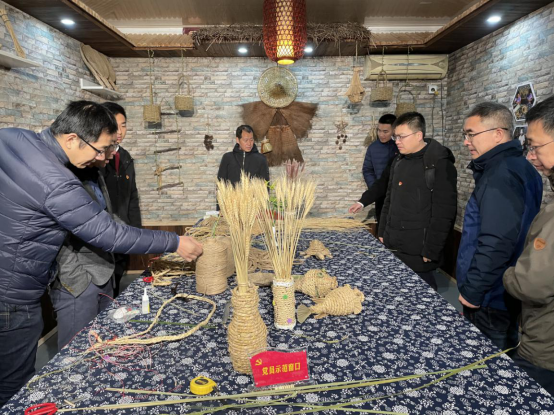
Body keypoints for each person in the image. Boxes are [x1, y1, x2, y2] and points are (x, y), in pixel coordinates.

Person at [0, 101, 203, 406]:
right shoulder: (56, 181)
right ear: (72, 139)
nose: (102, 157)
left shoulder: (12, 137)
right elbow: (109, 234)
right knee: (15, 386)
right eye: (100, 149)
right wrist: (175, 242)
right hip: (13, 293)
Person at [456, 102, 542, 352]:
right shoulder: (518, 166)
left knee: (485, 361)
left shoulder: (500, 175)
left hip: (491, 295)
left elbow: (497, 241)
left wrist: (473, 291)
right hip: (503, 287)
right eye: (465, 135)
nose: (466, 142)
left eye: (471, 134)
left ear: (497, 134)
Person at [503, 95, 554, 396]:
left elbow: (530, 284)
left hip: (545, 349)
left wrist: (509, 273)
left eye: (535, 146)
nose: (531, 156)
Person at [378, 112, 458, 290]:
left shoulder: (438, 163)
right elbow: (389, 198)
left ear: (418, 135)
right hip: (394, 242)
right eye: (395, 136)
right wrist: (382, 230)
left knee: (422, 293)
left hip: (419, 249)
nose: (397, 141)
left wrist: (431, 249)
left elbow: (444, 212)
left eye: (401, 136)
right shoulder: (398, 161)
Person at [50, 141, 118, 349]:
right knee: (76, 353)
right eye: (108, 146)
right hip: (78, 283)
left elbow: (107, 222)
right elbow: (56, 237)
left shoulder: (96, 173)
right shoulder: (62, 177)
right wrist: (78, 280)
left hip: (105, 273)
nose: (111, 153)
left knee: (104, 347)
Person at [101, 102, 141, 296]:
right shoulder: (96, 159)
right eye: (114, 126)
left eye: (123, 125)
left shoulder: (125, 157)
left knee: (118, 280)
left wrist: (137, 230)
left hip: (123, 233)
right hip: (103, 235)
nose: (119, 131)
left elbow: (132, 196)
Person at [352, 115, 398, 221]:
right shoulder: (373, 148)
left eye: (385, 131)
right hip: (380, 194)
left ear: (394, 130)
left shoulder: (400, 146)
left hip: (398, 195)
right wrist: (374, 188)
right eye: (379, 130)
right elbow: (367, 170)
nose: (381, 134)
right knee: (381, 222)